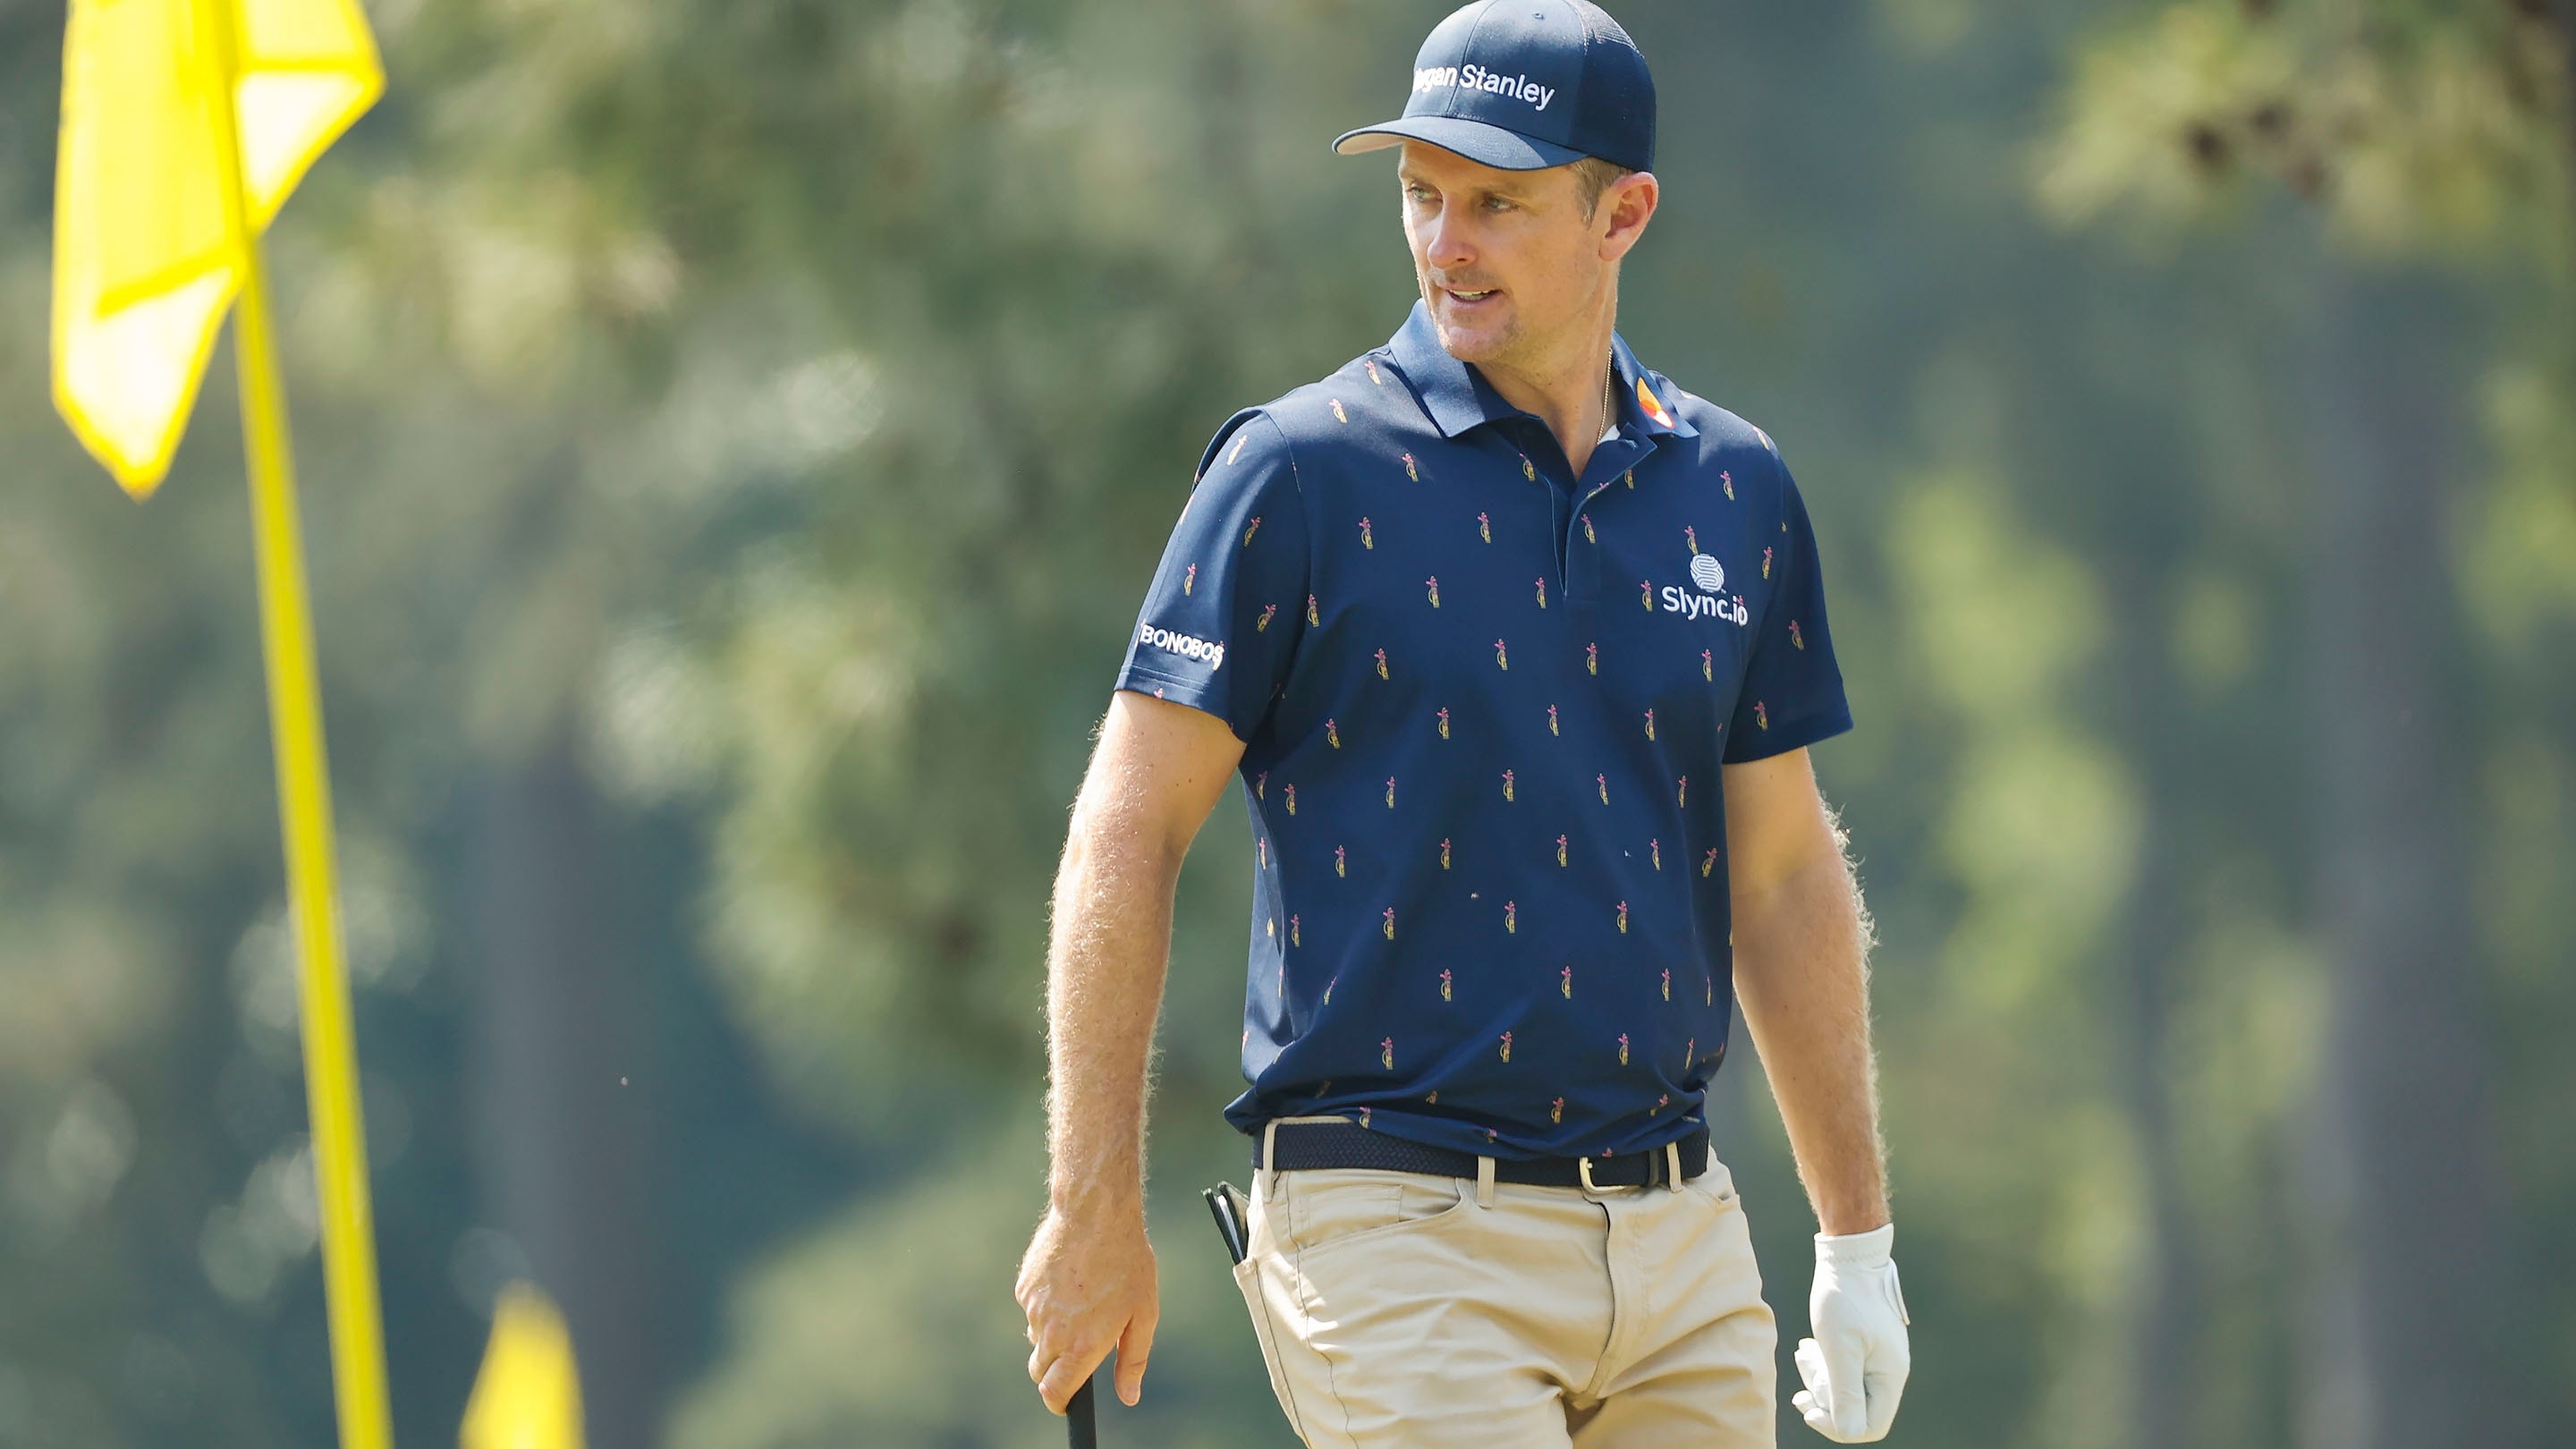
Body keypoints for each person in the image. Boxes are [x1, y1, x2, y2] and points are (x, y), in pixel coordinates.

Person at [1013, 3, 1909, 1443]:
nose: (1448, 242)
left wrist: (1855, 1244)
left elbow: (1788, 874)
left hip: (1679, 1233)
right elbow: (1126, 828)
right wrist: (1089, 1204)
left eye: (1498, 201)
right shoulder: (1297, 474)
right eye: (1422, 196)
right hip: (1393, 1227)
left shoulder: (1732, 489)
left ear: (1625, 213)